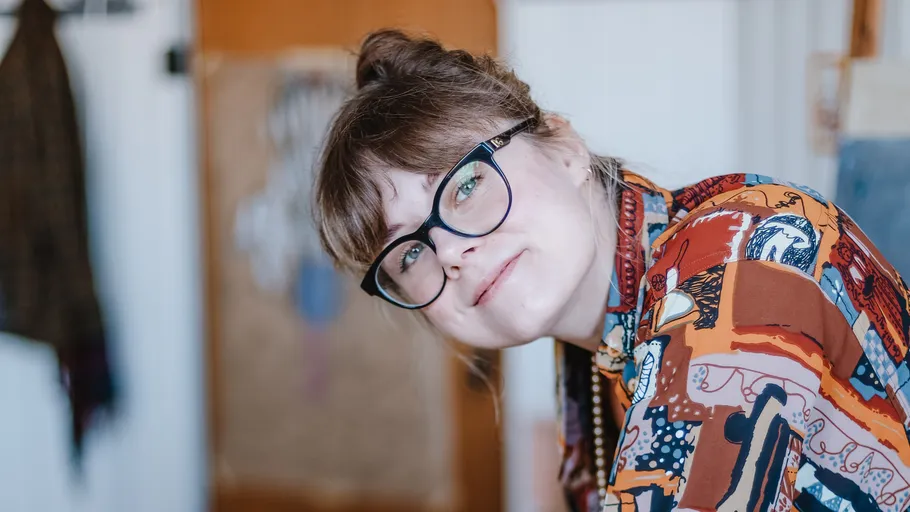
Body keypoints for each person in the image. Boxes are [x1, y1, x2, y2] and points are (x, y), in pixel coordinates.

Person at [314, 29, 910, 512]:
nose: (447, 251)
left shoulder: (739, 258)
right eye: (409, 253)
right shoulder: (591, 353)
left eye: (464, 184)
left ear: (563, 147)